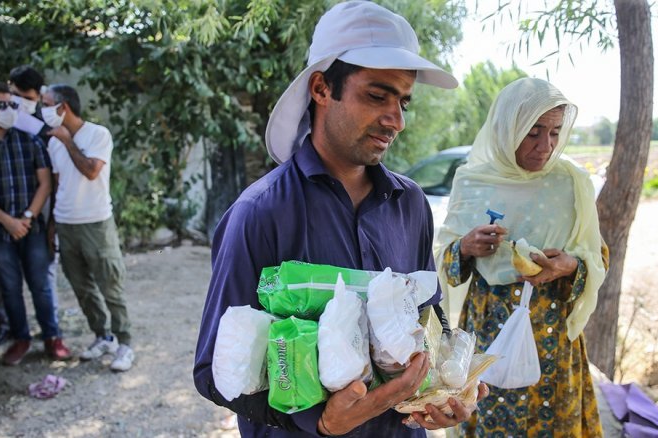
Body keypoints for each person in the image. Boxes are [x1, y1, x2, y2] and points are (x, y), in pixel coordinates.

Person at [193, 2, 487, 437]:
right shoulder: (260, 213)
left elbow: (423, 321)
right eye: (377, 95)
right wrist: (320, 420)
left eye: (403, 101)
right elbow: (212, 371)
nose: (397, 120)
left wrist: (441, 389)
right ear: (321, 89)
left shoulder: (410, 205)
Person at [434, 77, 608, 436]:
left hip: (551, 334)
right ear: (508, 127)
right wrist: (466, 247)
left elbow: (596, 253)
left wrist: (569, 265)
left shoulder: (571, 183)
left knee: (550, 421)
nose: (546, 145)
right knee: (489, 416)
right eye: (533, 132)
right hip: (488, 331)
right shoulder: (473, 181)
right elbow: (445, 263)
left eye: (555, 132)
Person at [0, 81, 70, 365]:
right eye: (0, 105)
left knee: (41, 285)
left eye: (11, 104)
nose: (8, 110)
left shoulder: (29, 140)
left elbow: (45, 183)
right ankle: (21, 338)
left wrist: (26, 217)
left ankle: (52, 337)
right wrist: (8, 221)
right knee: (9, 288)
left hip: (31, 227)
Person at [41, 84, 134, 372]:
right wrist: (52, 226)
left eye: (46, 104)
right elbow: (58, 186)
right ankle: (102, 336)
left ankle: (125, 344)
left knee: (110, 286)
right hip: (66, 225)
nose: (42, 110)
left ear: (63, 107)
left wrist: (68, 141)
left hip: (95, 224)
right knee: (83, 288)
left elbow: (91, 171)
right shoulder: (53, 142)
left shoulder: (97, 134)